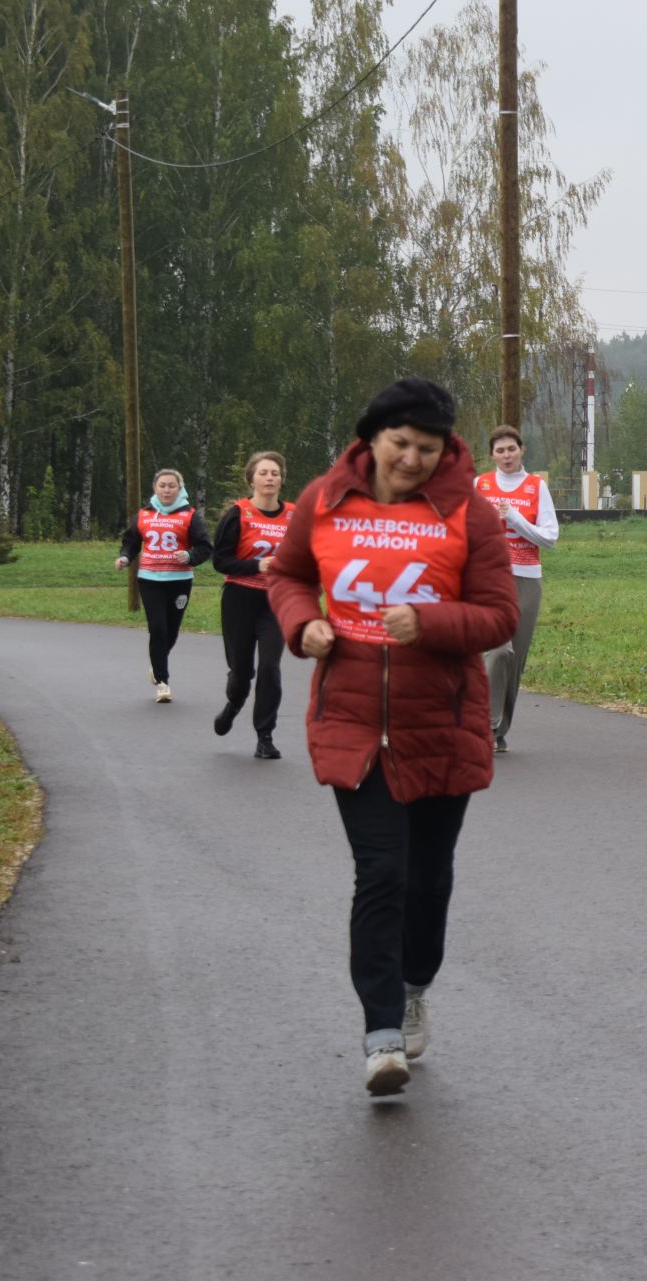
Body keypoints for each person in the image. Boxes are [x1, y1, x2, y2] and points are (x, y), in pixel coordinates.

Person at [267, 377, 517, 1098]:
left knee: (428, 878)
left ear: (447, 450)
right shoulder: (322, 499)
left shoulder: (469, 511)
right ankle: (381, 1034)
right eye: (401, 443)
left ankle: (413, 985)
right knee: (381, 872)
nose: (412, 459)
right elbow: (286, 576)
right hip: (352, 721)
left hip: (440, 721)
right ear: (371, 438)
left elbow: (499, 615)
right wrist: (300, 623)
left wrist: (431, 622)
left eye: (428, 448)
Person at [474, 425, 558, 754]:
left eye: (511, 449)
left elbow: (550, 538)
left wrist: (514, 518)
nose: (506, 455)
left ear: (522, 450)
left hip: (526, 580)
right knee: (497, 651)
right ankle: (486, 724)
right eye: (500, 450)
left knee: (515, 660)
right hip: (488, 579)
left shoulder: (536, 487)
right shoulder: (479, 485)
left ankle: (498, 731)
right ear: (492, 455)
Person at [211, 451, 294, 759]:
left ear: (282, 479)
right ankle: (234, 704)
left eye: (275, 473)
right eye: (264, 473)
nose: (270, 478)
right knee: (242, 671)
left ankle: (265, 735)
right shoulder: (238, 513)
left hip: (276, 601)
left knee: (271, 666)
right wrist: (258, 566)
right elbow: (220, 560)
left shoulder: (294, 516)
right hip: (240, 599)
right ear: (251, 479)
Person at [115, 469, 212, 702]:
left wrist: (189, 556)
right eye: (162, 486)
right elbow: (131, 542)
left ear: (180, 489)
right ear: (155, 488)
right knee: (157, 628)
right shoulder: (144, 515)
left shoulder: (190, 516)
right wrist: (125, 558)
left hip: (179, 581)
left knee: (171, 631)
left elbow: (205, 547)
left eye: (171, 486)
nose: (167, 490)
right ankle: (162, 682)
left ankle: (157, 662)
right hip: (150, 579)